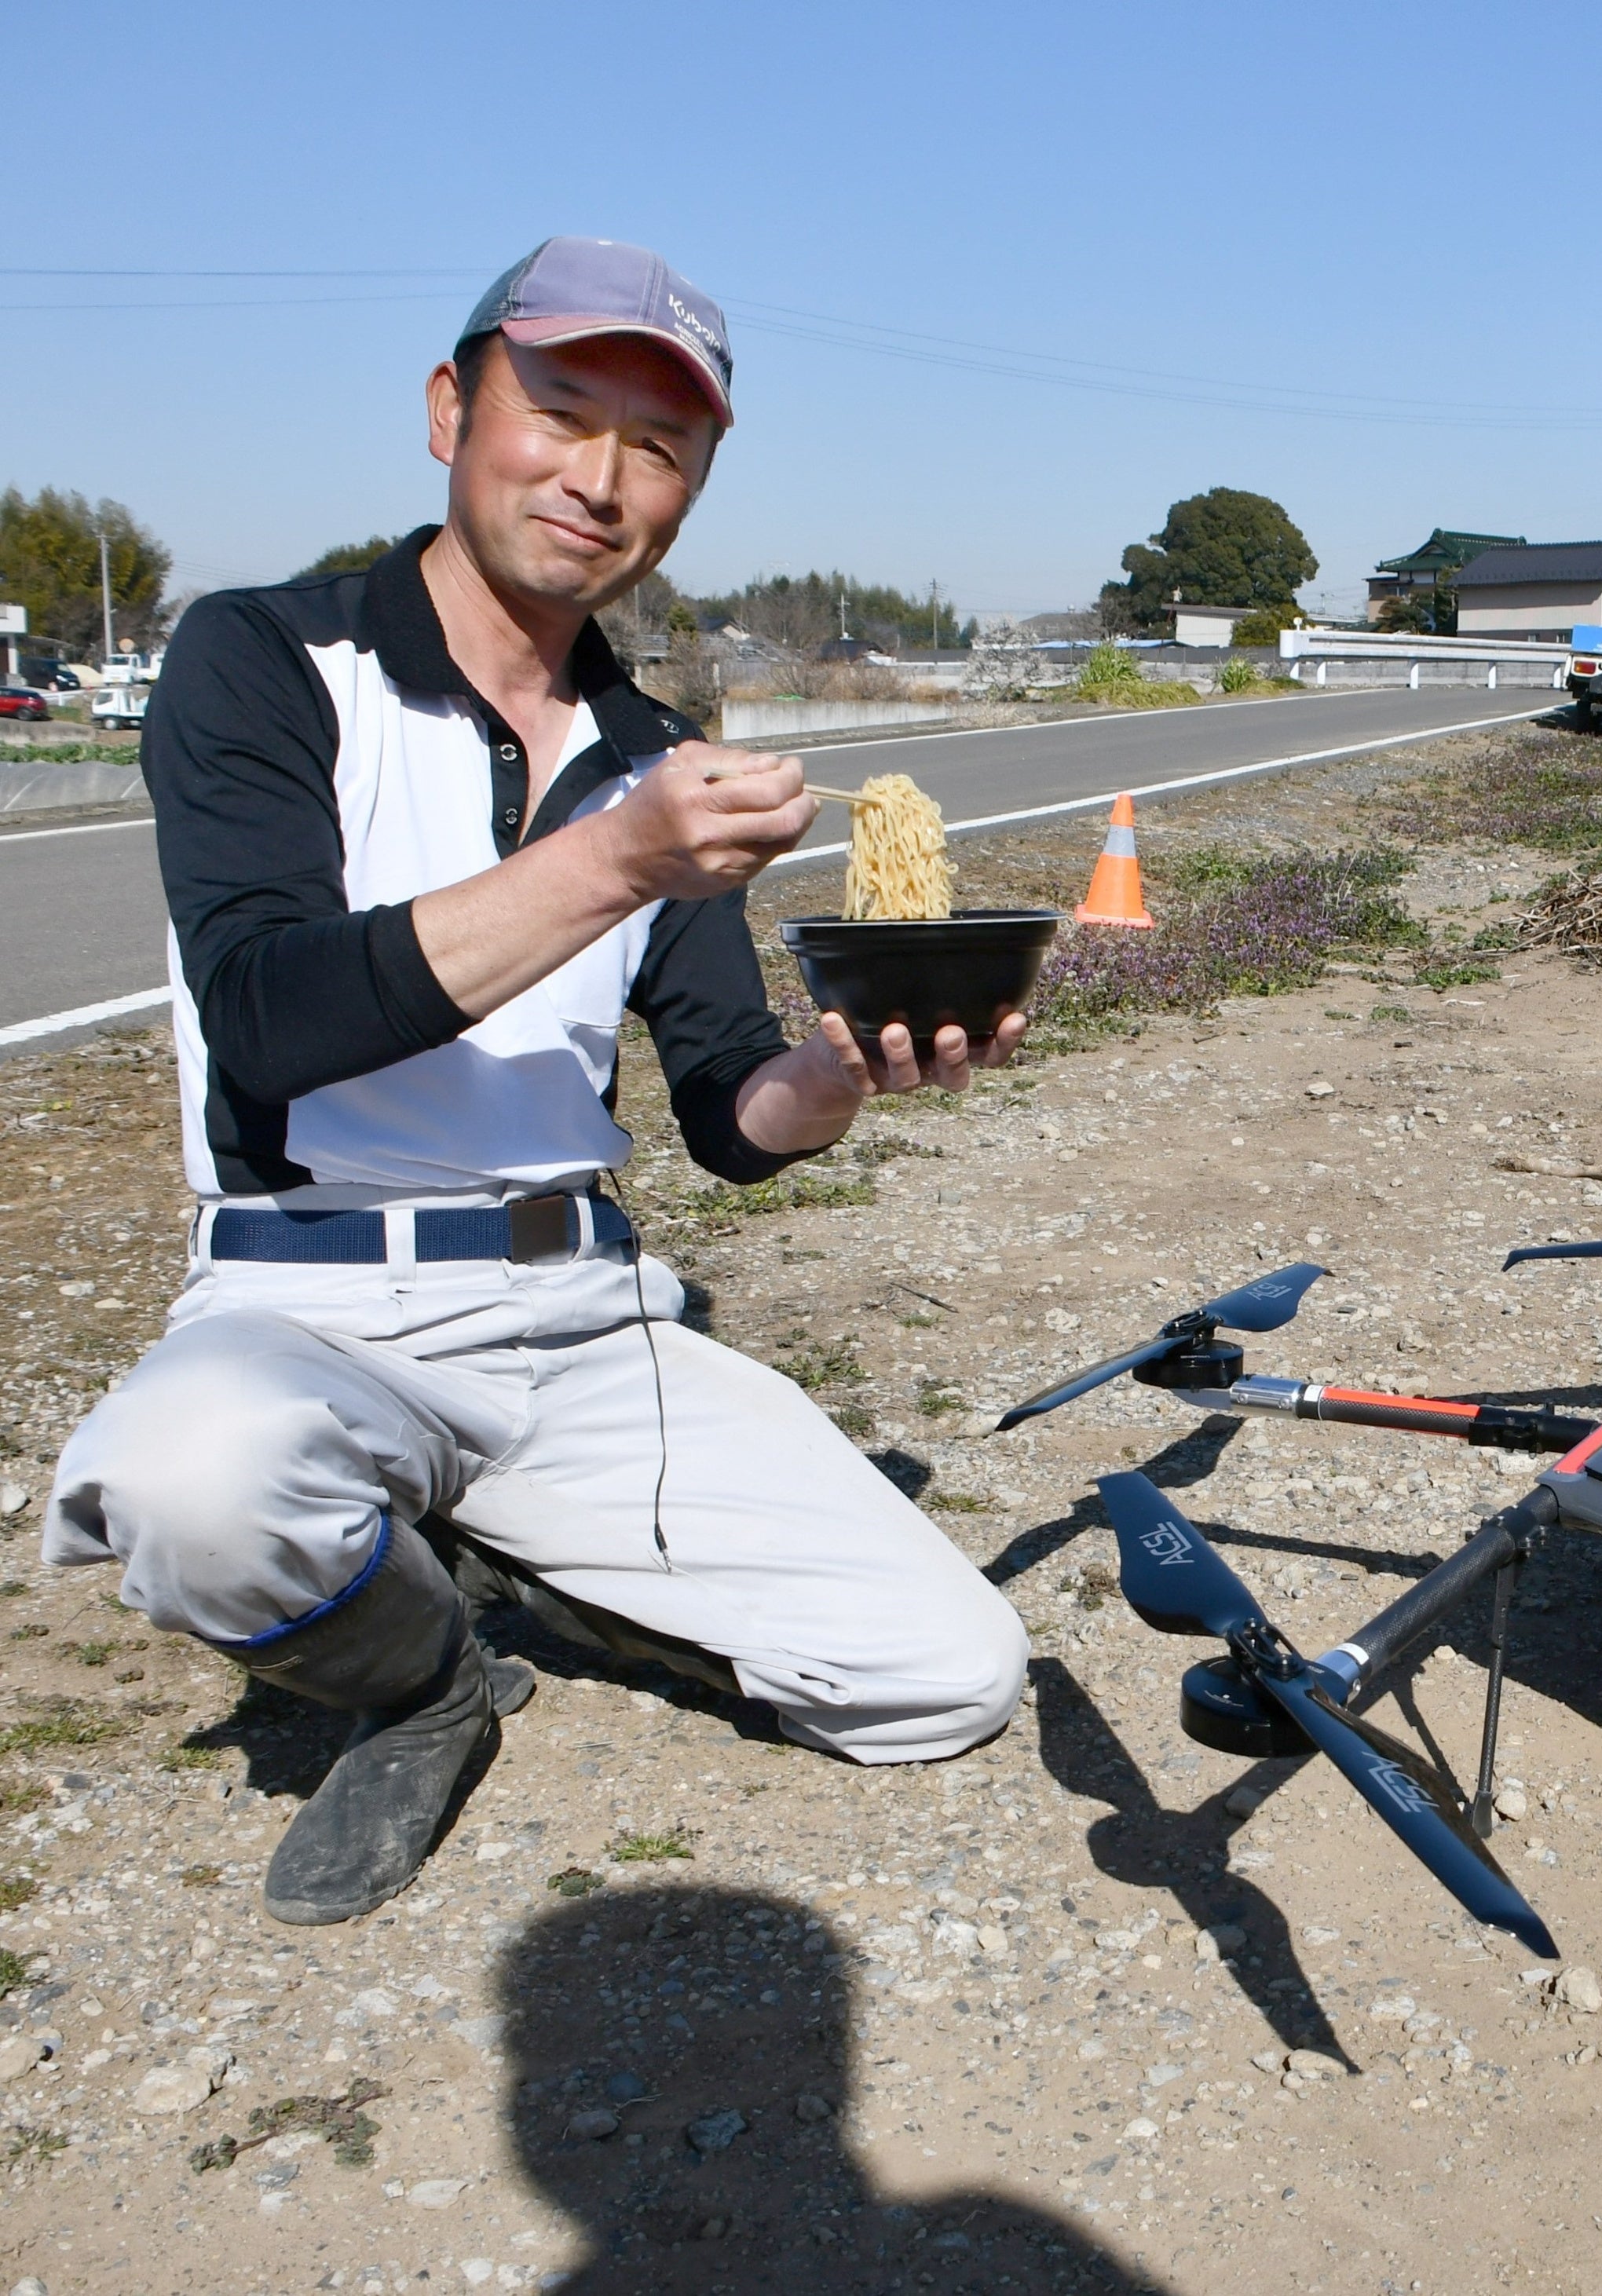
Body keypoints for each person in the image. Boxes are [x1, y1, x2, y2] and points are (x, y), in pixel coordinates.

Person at [43, 237, 1030, 1927]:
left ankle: (533, 1552)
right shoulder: (265, 663)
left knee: (945, 1678)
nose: (601, 476)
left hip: (578, 1318)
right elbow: (270, 1012)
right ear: (450, 409)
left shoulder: (655, 755)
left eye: (659, 448)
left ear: (693, 489)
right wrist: (616, 861)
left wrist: (841, 1068)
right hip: (304, 1306)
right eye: (560, 411)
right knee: (191, 1484)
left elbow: (727, 1114)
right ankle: (421, 1679)